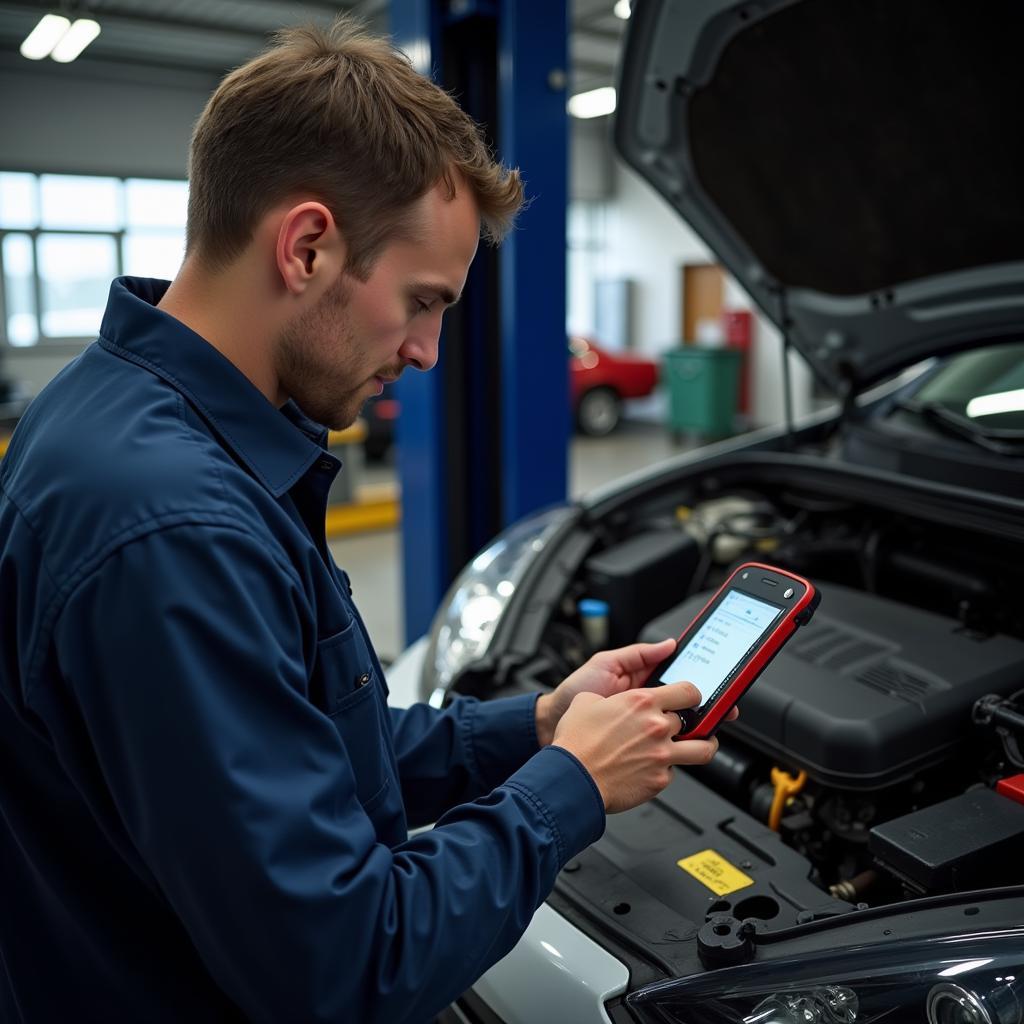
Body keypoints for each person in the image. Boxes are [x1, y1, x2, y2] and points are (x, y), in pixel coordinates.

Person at [0, 19, 724, 1024]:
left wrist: (534, 728)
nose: (427, 352)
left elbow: (304, 740)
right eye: (422, 302)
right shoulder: (174, 526)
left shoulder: (121, 406)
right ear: (306, 246)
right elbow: (341, 968)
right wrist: (570, 789)